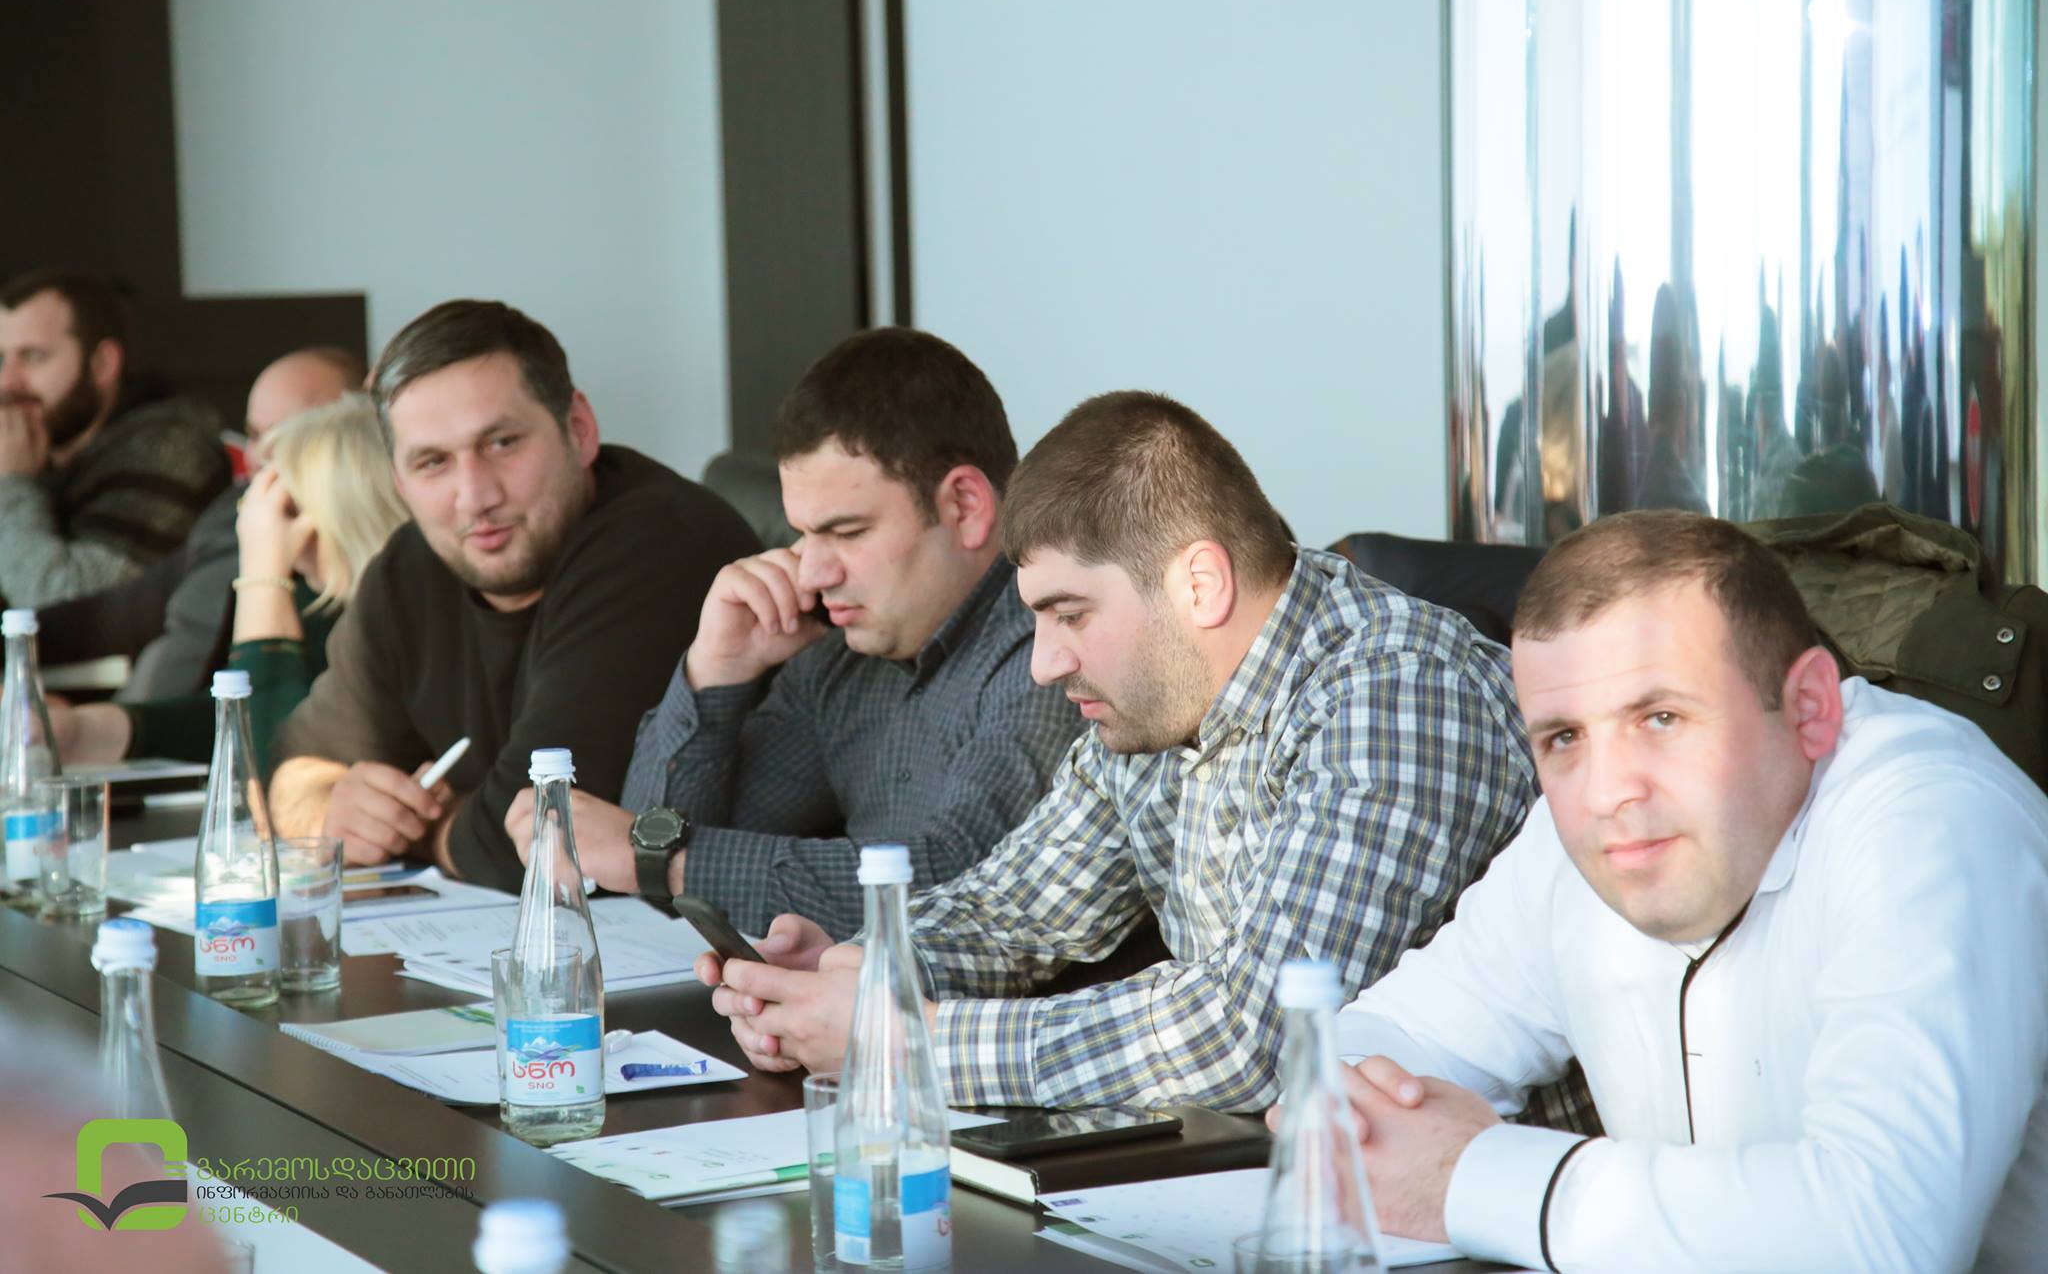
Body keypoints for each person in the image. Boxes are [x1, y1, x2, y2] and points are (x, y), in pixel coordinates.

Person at [699, 391, 1538, 1110]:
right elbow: (1011, 912)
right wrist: (861, 968)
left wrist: (904, 1040)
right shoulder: (1154, 699)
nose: (1044, 661)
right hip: (1278, 1175)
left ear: (1198, 585)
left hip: (1471, 1204)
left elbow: (1258, 1036)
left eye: (1070, 613)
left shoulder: (1398, 695)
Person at [1321, 510, 2048, 1272]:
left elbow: (1886, 1228)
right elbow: (1391, 1035)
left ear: (1811, 706)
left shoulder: (1934, 818)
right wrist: (1353, 1108)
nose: (1606, 790)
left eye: (1661, 717)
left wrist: (1472, 1176)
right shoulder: (1584, 833)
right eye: (1564, 736)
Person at [503, 327, 1082, 939]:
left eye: (847, 533)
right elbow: (671, 863)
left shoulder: (1054, 647)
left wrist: (660, 861)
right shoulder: (840, 657)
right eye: (805, 534)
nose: (812, 572)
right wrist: (715, 671)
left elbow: (970, 885)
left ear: (964, 506)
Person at [268, 299, 758, 879]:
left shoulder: (658, 543)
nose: (475, 496)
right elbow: (292, 765)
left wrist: (425, 833)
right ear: (399, 481)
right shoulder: (410, 566)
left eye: (502, 443)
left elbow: (543, 838)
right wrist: (333, 806)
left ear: (579, 430)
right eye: (432, 462)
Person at [52, 392, 409, 774]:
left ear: (338, 516)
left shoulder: (398, 620)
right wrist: (88, 729)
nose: (265, 518)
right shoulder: (322, 597)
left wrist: (263, 576)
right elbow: (259, 715)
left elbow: (275, 759)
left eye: (287, 504)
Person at [120, 346, 364, 699]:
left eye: (281, 438)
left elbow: (274, 719)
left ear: (351, 437)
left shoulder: (368, 575)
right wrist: (98, 722)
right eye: (253, 434)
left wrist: (264, 574)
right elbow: (125, 608)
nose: (254, 458)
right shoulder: (236, 508)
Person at [0, 269, 231, 606]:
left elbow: (67, 603)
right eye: (1, 359)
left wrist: (12, 485)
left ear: (102, 364)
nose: (7, 381)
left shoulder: (168, 448)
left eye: (34, 357)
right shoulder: (37, 457)